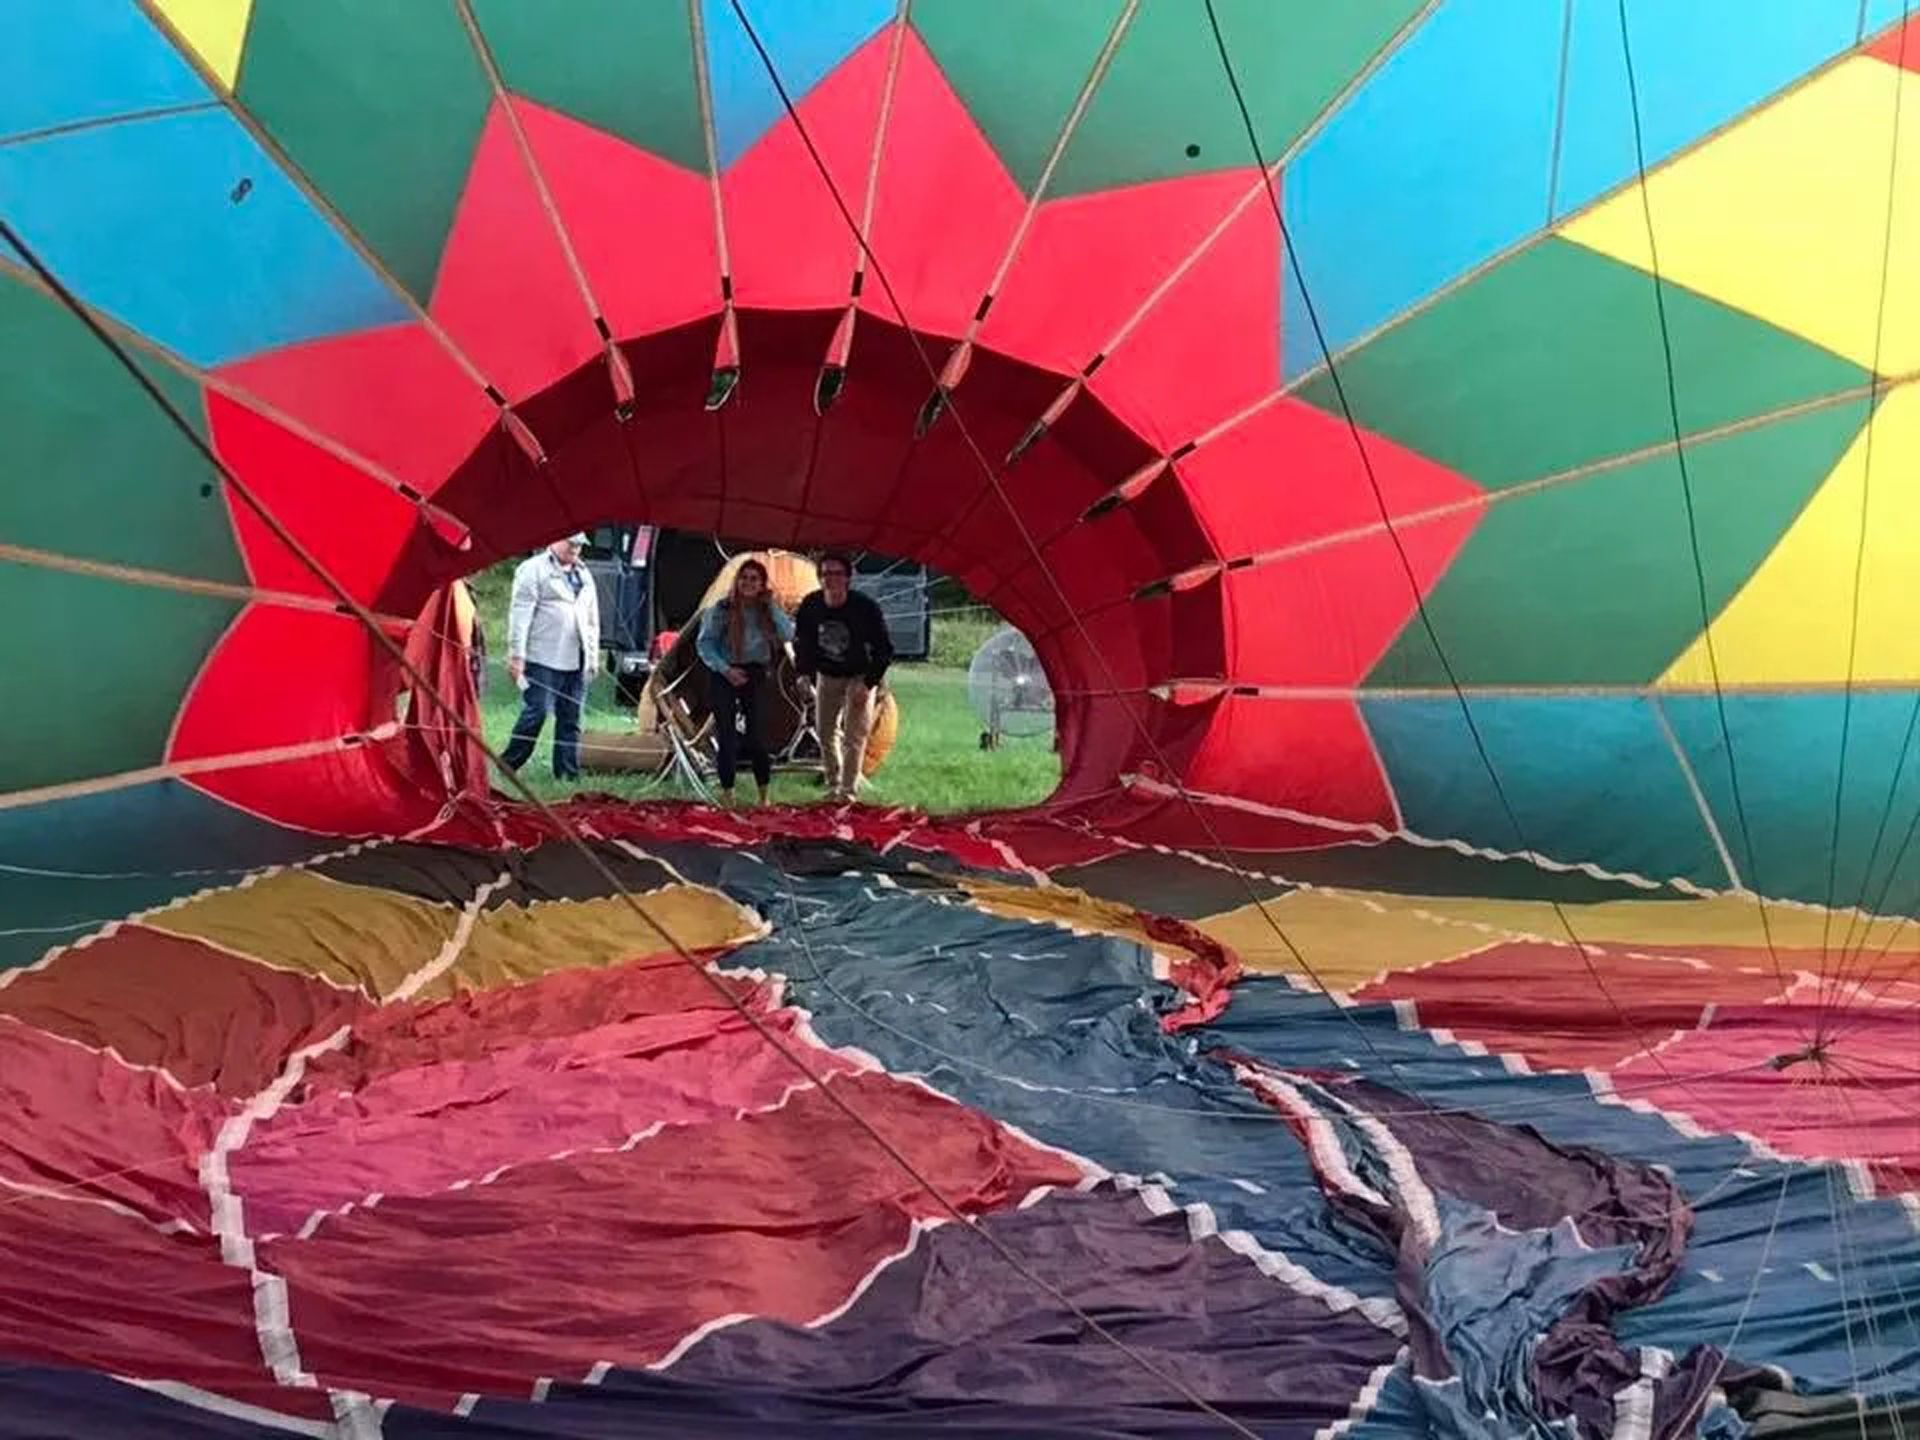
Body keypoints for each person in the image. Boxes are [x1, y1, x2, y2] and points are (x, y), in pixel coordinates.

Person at [794, 552, 892, 803]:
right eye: (825, 574)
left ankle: (848, 791)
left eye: (836, 574)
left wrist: (869, 683)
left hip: (859, 674)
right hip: (827, 674)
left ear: (848, 578)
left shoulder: (865, 608)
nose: (830, 579)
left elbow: (884, 649)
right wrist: (803, 673)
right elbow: (802, 642)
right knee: (825, 731)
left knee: (854, 735)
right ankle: (833, 784)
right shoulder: (811, 605)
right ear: (819, 578)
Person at [695, 559, 793, 806]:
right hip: (725, 671)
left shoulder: (766, 611)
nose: (748, 583)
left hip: (755, 672)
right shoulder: (722, 609)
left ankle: (764, 796)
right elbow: (705, 643)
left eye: (754, 579)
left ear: (762, 585)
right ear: (737, 581)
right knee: (726, 734)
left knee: (757, 735)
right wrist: (726, 670)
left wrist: (771, 606)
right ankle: (728, 794)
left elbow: (788, 633)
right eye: (744, 578)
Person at [503, 533, 600, 782]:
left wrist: (593, 656)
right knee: (536, 713)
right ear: (556, 541)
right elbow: (520, 615)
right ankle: (508, 764)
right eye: (571, 543)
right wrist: (517, 655)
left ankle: (567, 772)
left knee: (571, 717)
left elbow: (592, 619)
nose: (576, 549)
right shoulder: (532, 569)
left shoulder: (585, 574)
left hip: (576, 658)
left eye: (580, 545)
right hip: (542, 656)